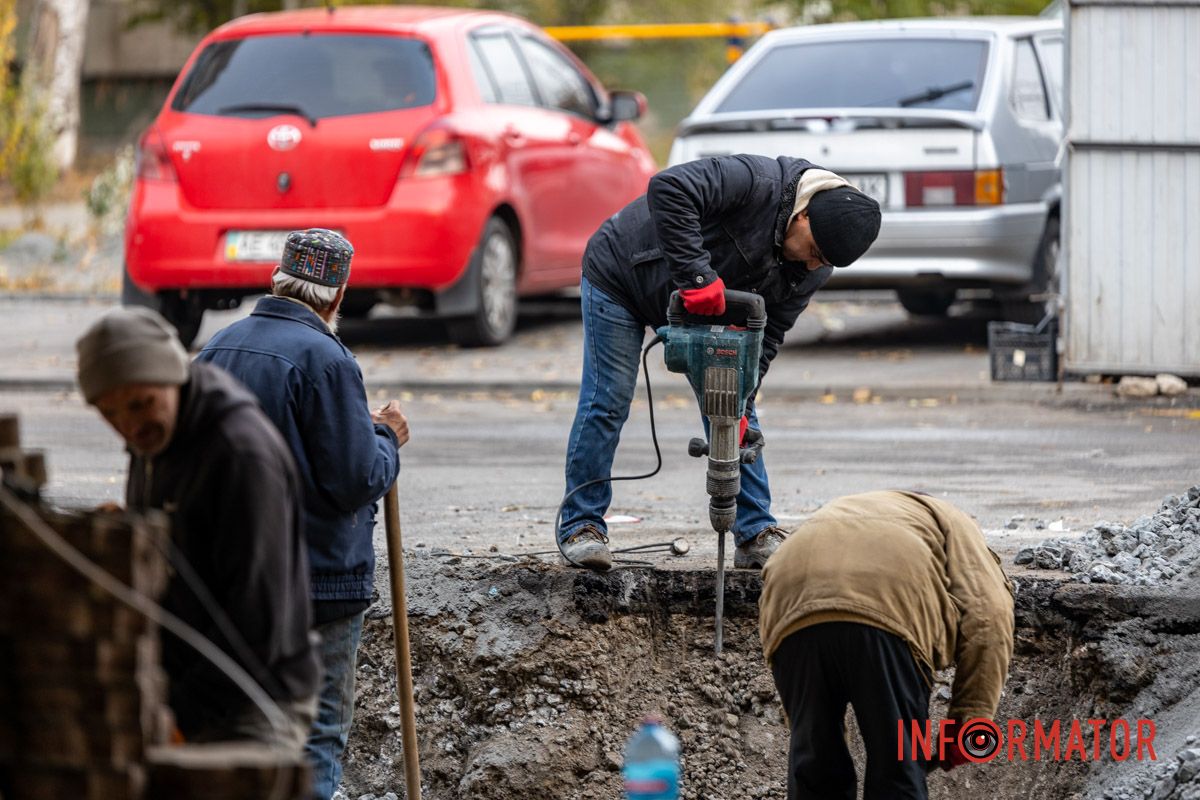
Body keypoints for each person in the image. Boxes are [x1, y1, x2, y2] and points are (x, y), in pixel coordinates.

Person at [560, 154, 882, 571]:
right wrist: (696, 276)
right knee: (608, 402)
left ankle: (753, 533)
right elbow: (668, 188)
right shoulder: (755, 181)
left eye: (825, 262)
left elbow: (769, 334)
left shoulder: (813, 267)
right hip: (621, 274)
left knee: (734, 411)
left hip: (703, 308)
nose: (815, 264)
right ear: (802, 216)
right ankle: (581, 526)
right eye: (816, 251)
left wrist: (744, 391)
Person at [195, 229, 408, 800]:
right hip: (319, 583)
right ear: (337, 296)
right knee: (316, 733)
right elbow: (355, 479)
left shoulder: (217, 348)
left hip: (230, 582)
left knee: (244, 725)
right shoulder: (327, 357)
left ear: (275, 281)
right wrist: (385, 436)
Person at [76, 307, 320, 749]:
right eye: (109, 413)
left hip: (252, 704)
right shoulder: (158, 434)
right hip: (184, 687)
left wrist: (179, 719)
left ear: (173, 375)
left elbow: (256, 620)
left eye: (140, 404)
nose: (129, 425)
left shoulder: (238, 454)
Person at [759, 490, 1016, 799]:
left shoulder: (847, 509)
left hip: (788, 604)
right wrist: (969, 722)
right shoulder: (955, 521)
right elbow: (990, 615)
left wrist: (812, 727)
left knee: (816, 772)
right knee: (897, 773)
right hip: (886, 611)